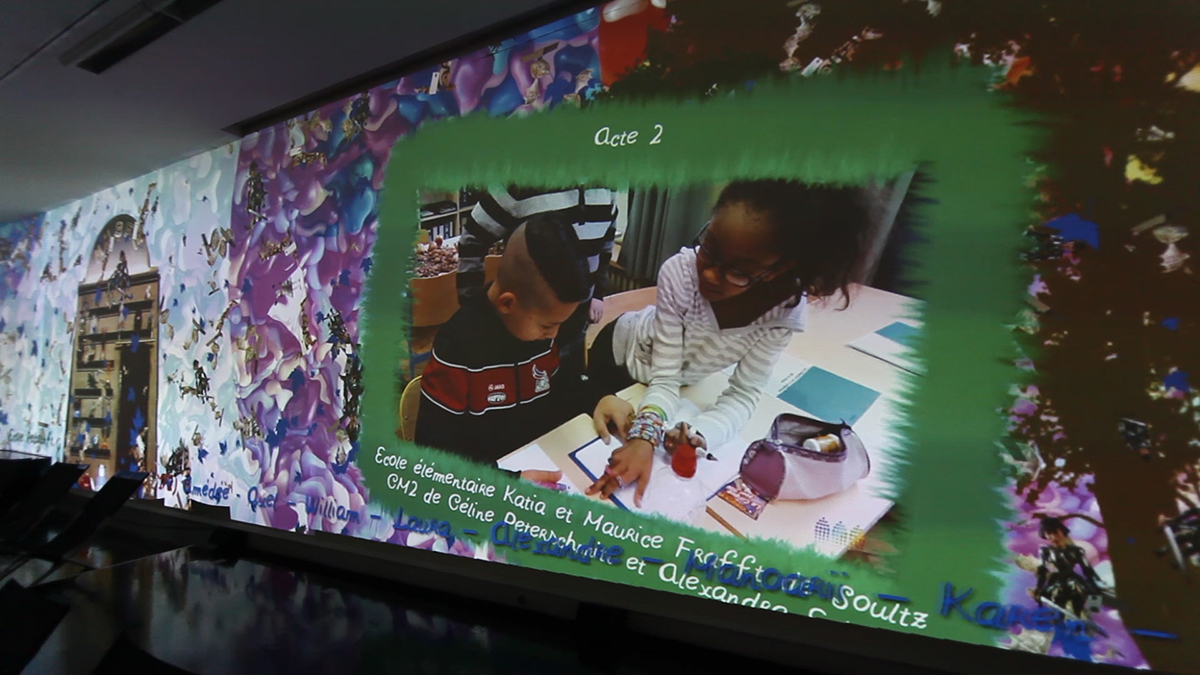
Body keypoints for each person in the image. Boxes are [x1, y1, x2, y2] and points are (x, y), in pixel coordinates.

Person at [585, 179, 868, 506]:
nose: (710, 275)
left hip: (680, 380)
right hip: (621, 357)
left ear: (779, 269)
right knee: (588, 433)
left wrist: (700, 435)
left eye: (739, 271)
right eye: (709, 248)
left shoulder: (784, 314)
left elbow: (743, 394)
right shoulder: (680, 275)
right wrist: (645, 437)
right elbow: (665, 378)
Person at [417, 213, 596, 469]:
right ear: (508, 304)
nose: (554, 335)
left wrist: (597, 401)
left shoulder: (540, 325)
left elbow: (563, 391)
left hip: (541, 461)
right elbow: (435, 457)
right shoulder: (457, 349)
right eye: (547, 326)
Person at [457, 186, 618, 387]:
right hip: (527, 318)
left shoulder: (607, 186)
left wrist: (598, 292)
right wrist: (472, 304)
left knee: (566, 382)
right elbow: (473, 236)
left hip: (576, 315)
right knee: (519, 386)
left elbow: (607, 241)